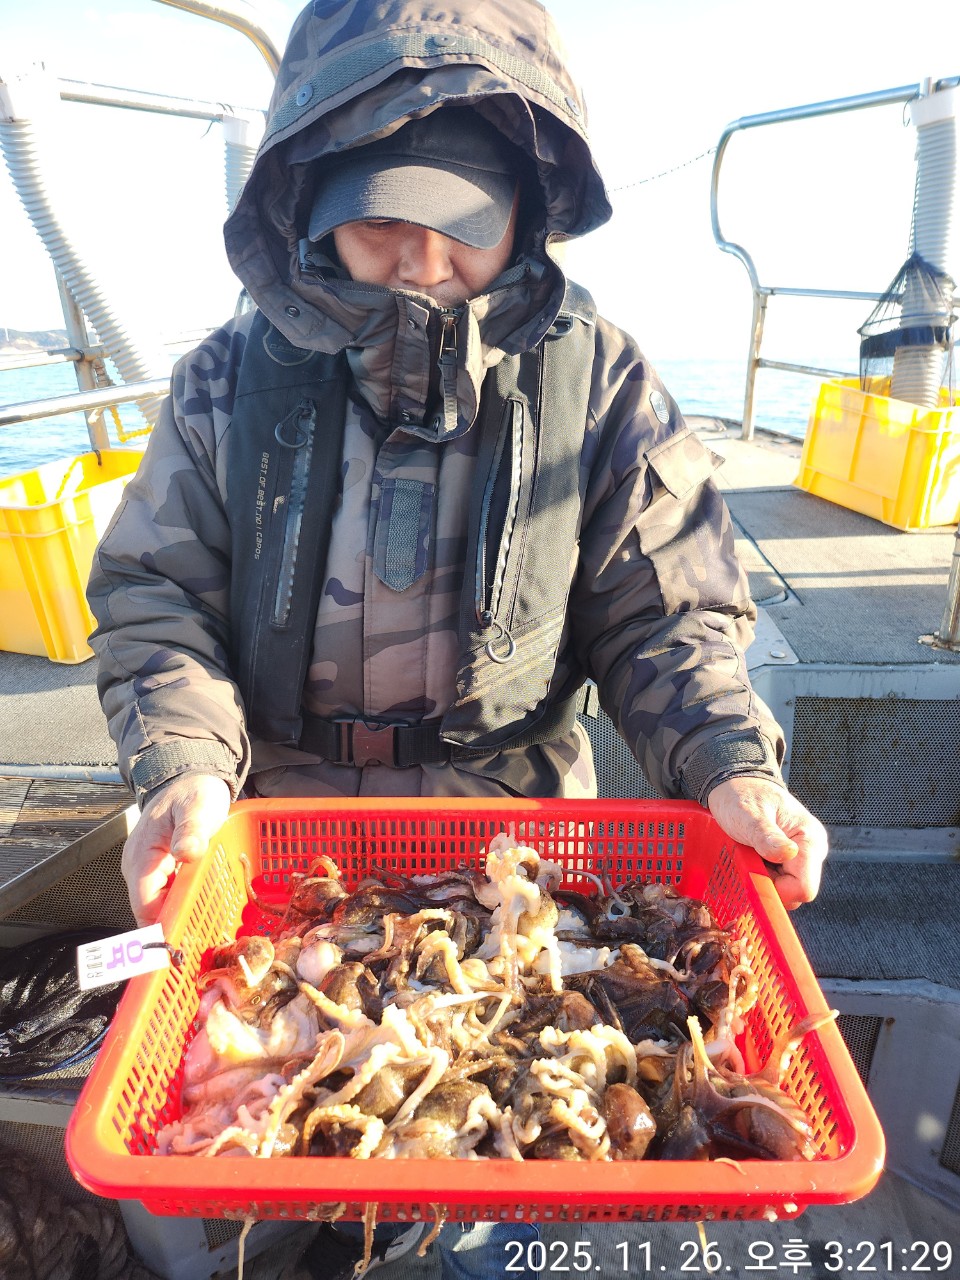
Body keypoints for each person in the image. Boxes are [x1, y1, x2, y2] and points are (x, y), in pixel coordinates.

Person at [87, 0, 827, 1275]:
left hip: (518, 839)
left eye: (462, 224)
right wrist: (185, 770)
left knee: (520, 1168)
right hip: (287, 847)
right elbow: (160, 597)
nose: (422, 261)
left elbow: (669, 613)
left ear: (525, 212)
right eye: (383, 220)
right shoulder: (223, 381)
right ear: (310, 202)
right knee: (285, 1131)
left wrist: (730, 764)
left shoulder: (603, 381)